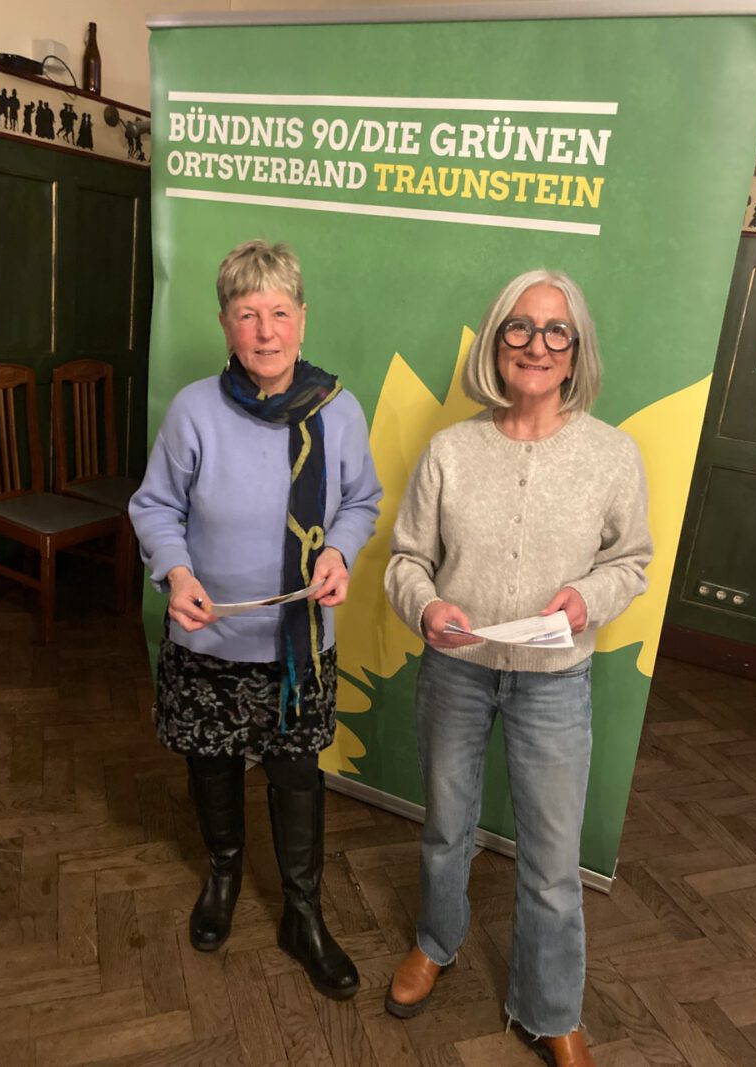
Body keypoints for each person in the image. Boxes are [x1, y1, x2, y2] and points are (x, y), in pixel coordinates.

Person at [383, 270, 652, 1066]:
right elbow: (406, 559)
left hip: (555, 680)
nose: (537, 345)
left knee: (552, 860)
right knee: (445, 825)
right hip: (456, 671)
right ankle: (436, 939)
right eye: (519, 328)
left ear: (576, 350)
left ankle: (551, 1006)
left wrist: (588, 598)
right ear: (498, 343)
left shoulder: (612, 455)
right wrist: (425, 606)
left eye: (555, 330)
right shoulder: (450, 450)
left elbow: (631, 562)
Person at [129, 239, 381, 1000]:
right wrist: (176, 573)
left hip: (298, 645)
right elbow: (156, 507)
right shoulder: (194, 410)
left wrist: (339, 551)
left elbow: (361, 501)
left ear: (303, 318)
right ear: (225, 325)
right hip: (208, 637)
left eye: (278, 312)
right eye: (247, 314)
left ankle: (302, 912)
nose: (265, 331)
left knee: (297, 774)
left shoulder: (338, 411)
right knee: (210, 763)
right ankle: (224, 874)